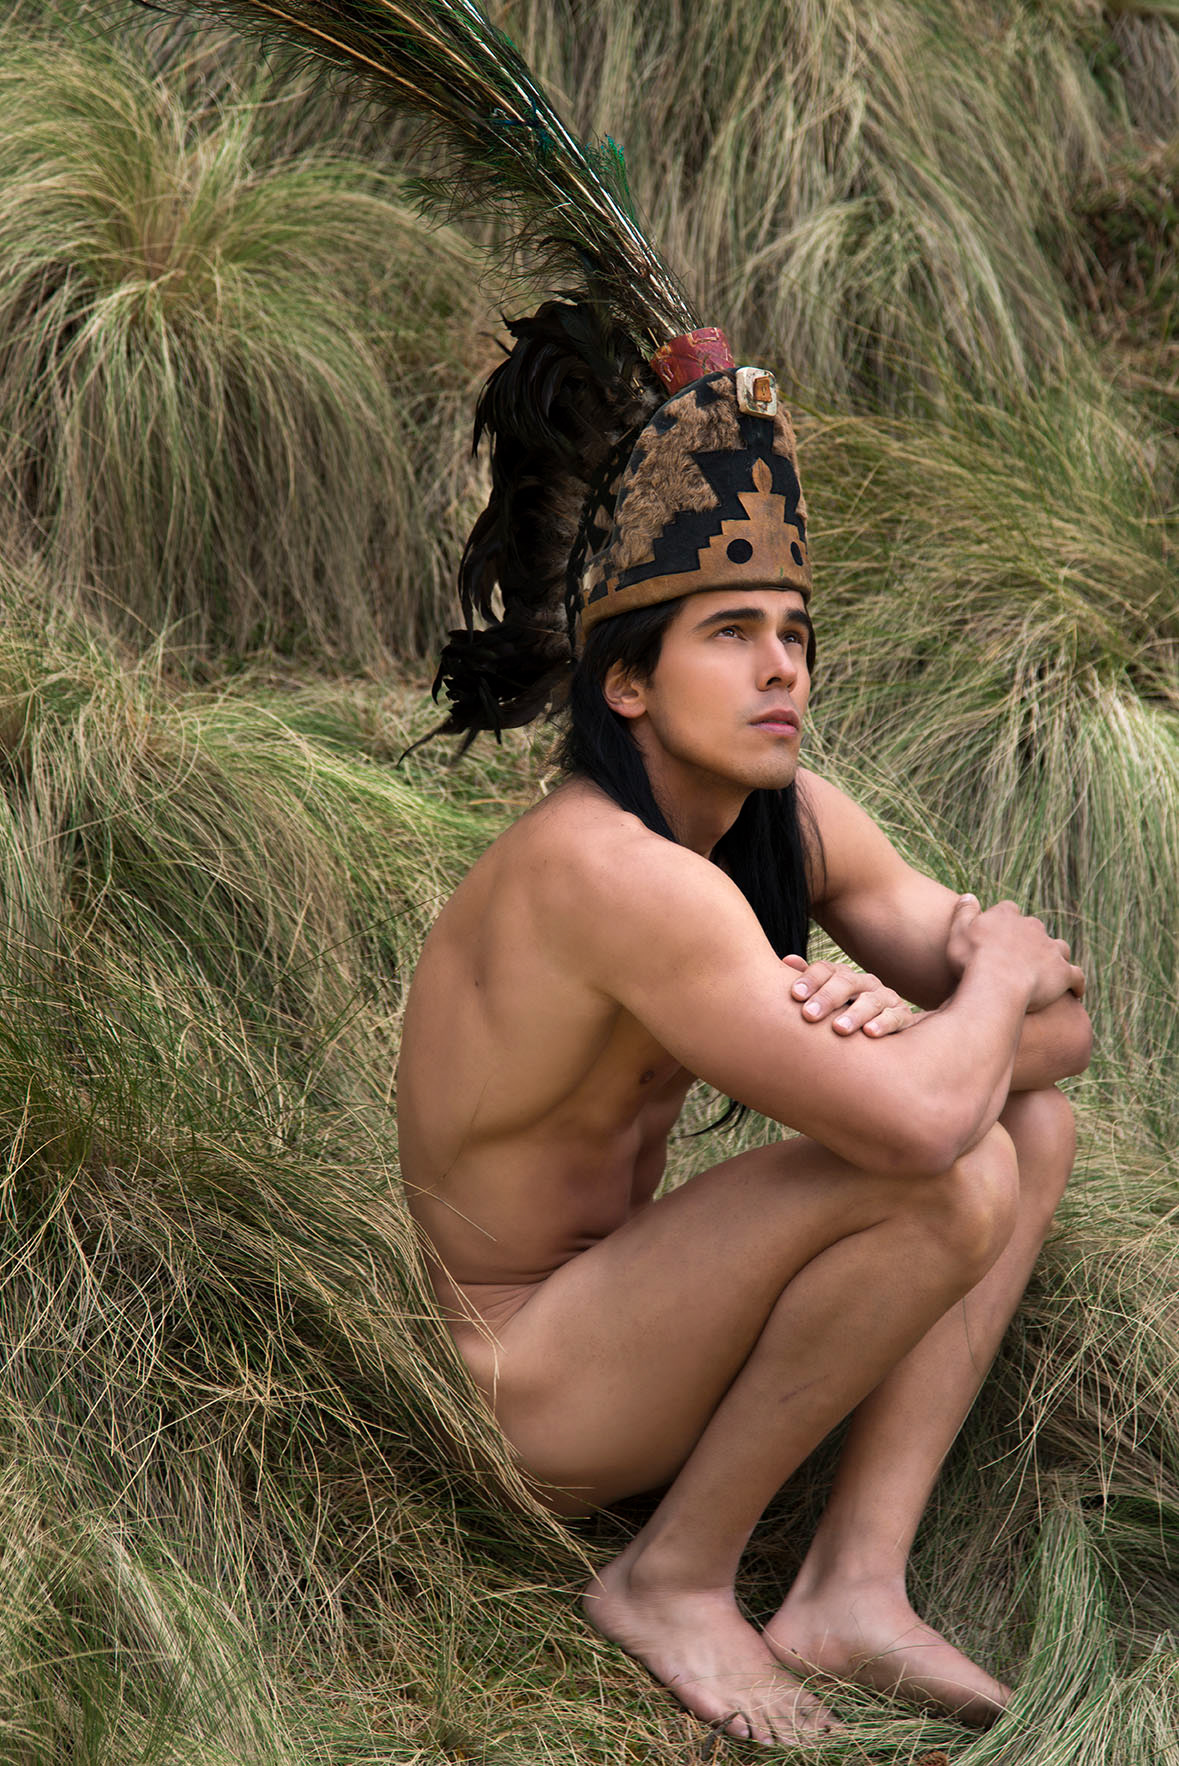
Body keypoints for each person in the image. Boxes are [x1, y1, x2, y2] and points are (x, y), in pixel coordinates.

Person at [397, 344, 1092, 1748]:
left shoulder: (789, 823)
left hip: (653, 1327)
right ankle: (668, 1579)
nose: (783, 666)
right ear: (630, 682)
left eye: (795, 631)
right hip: (528, 1388)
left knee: (1029, 1122)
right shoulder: (604, 872)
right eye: (730, 633)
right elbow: (929, 1109)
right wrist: (989, 987)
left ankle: (851, 1587)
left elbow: (1063, 1033)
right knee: (950, 1162)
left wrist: (939, 1026)